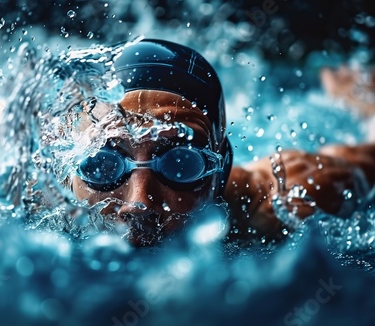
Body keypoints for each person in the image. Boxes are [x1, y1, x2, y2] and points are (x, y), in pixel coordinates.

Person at [70, 39, 375, 246]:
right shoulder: (38, 197)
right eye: (102, 165)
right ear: (68, 167)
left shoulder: (286, 203)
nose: (139, 204)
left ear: (221, 169)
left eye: (181, 163)